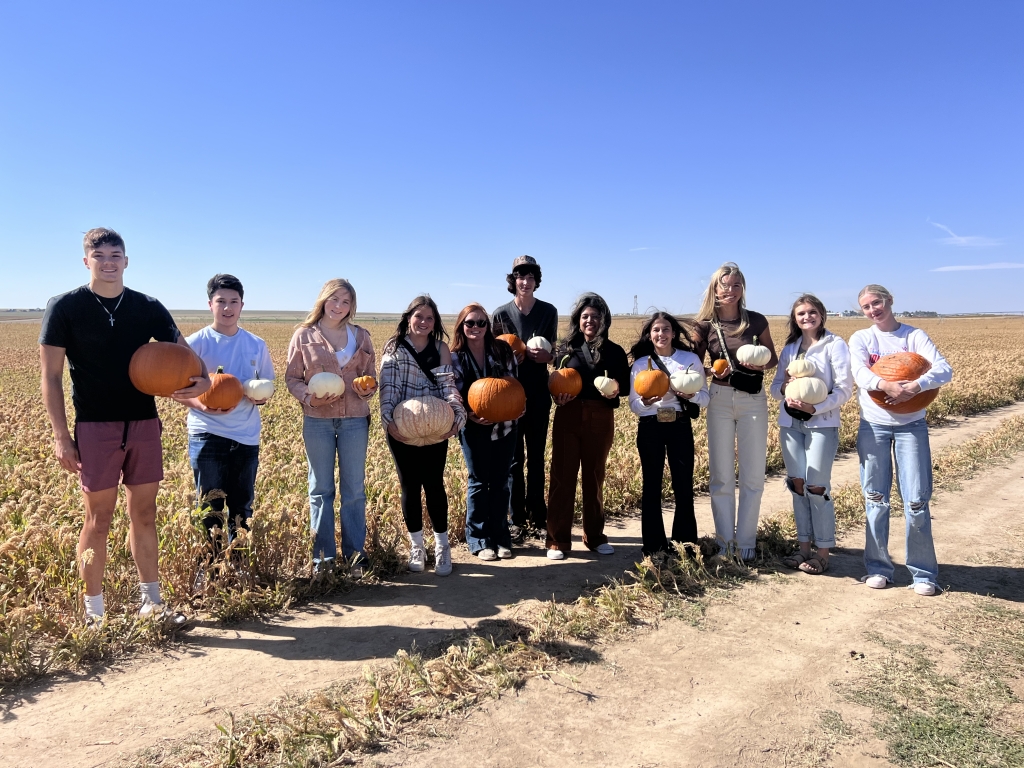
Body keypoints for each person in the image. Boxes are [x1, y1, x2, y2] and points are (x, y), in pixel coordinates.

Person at [39, 228, 210, 625]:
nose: (109, 262)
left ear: (127, 261)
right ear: (87, 261)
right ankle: (93, 615)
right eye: (100, 255)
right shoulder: (64, 307)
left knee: (145, 514)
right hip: (95, 427)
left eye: (116, 254)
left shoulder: (146, 306)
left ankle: (152, 604)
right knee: (98, 519)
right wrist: (61, 436)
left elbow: (186, 353)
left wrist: (201, 378)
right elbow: (50, 377)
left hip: (145, 423)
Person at [850, 284, 951, 596]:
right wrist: (887, 384)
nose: (872, 310)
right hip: (873, 426)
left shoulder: (914, 336)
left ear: (889, 301)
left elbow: (944, 370)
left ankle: (923, 573)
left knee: (917, 500)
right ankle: (879, 568)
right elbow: (860, 373)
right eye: (866, 307)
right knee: (876, 498)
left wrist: (915, 387)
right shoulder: (862, 338)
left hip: (912, 427)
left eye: (876, 303)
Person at [180, 274, 275, 569]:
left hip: (246, 436)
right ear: (210, 304)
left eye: (234, 301)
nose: (228, 307)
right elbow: (178, 389)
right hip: (207, 435)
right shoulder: (196, 344)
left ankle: (238, 568)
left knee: (242, 507)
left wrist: (261, 398)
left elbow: (267, 384)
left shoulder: (255, 345)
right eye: (221, 301)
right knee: (209, 508)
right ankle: (208, 572)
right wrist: (203, 406)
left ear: (242, 305)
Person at [286, 279, 377, 574]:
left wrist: (367, 391)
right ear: (323, 300)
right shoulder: (304, 335)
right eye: (334, 299)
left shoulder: (361, 336)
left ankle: (354, 558)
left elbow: (369, 377)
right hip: (318, 421)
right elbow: (292, 378)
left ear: (352, 306)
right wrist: (309, 399)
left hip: (354, 419)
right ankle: (322, 561)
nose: (339, 306)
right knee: (321, 489)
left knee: (353, 490)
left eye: (346, 301)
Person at [692, 262, 778, 561]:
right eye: (724, 285)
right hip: (719, 398)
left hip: (753, 399)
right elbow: (693, 367)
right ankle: (725, 543)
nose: (730, 291)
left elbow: (772, 359)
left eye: (736, 285)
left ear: (743, 289)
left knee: (753, 474)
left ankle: (747, 544)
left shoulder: (755, 321)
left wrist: (760, 364)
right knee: (721, 475)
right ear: (715, 289)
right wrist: (713, 370)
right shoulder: (704, 324)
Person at [379, 295, 466, 576]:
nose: (424, 322)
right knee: (409, 486)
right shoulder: (394, 348)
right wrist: (388, 421)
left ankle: (442, 548)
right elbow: (388, 387)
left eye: (430, 318)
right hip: (402, 428)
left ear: (435, 323)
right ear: (408, 318)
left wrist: (457, 413)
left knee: (434, 484)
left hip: (434, 427)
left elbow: (447, 385)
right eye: (419, 317)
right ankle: (417, 546)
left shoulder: (440, 348)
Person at [769, 295, 852, 575]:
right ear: (795, 318)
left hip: (822, 423)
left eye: (812, 312)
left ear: (821, 314)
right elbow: (775, 386)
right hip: (790, 424)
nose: (807, 317)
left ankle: (823, 552)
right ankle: (802, 548)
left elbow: (844, 389)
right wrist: (786, 390)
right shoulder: (791, 348)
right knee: (797, 484)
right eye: (801, 313)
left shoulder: (834, 345)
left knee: (817, 487)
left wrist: (815, 406)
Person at [546, 293, 630, 560]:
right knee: (562, 476)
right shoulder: (564, 348)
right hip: (567, 415)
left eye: (595, 316)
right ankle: (557, 540)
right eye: (585, 317)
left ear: (603, 319)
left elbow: (626, 387)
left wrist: (614, 391)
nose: (590, 321)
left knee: (594, 476)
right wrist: (556, 397)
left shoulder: (614, 351)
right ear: (577, 320)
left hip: (600, 416)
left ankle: (594, 536)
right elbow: (555, 381)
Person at [628, 312, 709, 558]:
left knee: (683, 484)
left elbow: (704, 398)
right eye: (656, 330)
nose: (661, 334)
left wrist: (689, 395)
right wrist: (644, 401)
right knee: (651, 485)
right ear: (649, 335)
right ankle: (653, 547)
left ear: (673, 333)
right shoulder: (641, 364)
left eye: (665, 329)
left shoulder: (690, 359)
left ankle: (684, 545)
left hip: (679, 425)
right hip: (650, 426)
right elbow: (633, 405)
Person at [491, 255, 557, 538]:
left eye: (530, 277)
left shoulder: (548, 312)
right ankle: (516, 518)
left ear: (536, 281)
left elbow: (552, 351)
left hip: (539, 393)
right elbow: (493, 357)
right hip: (509, 395)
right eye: (520, 276)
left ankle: (538, 516)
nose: (525, 281)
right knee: (513, 459)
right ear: (513, 280)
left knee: (537, 457)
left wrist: (549, 355)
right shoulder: (500, 315)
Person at [451, 304, 522, 561]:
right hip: (474, 428)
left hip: (506, 426)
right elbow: (454, 393)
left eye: (482, 323)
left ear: (488, 327)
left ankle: (501, 536)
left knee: (501, 481)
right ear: (462, 326)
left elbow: (514, 384)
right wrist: (468, 414)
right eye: (470, 323)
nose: (476, 328)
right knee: (479, 481)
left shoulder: (502, 350)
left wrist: (515, 409)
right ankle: (479, 539)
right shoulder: (456, 356)